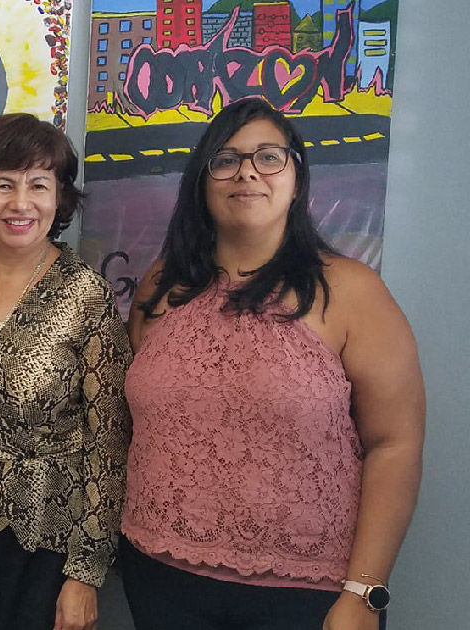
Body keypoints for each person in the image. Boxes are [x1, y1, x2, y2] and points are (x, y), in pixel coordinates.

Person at [121, 98, 425, 630]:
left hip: (305, 593)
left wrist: (364, 591)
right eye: (226, 159)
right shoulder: (162, 284)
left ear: (297, 176)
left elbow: (394, 445)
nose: (247, 173)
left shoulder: (350, 290)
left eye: (268, 157)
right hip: (158, 574)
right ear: (202, 181)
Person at [0, 112, 132, 630]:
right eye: (3, 184)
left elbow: (109, 439)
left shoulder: (86, 295)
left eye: (38, 184)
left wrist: (86, 571)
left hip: (45, 532)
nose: (20, 202)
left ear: (59, 198)